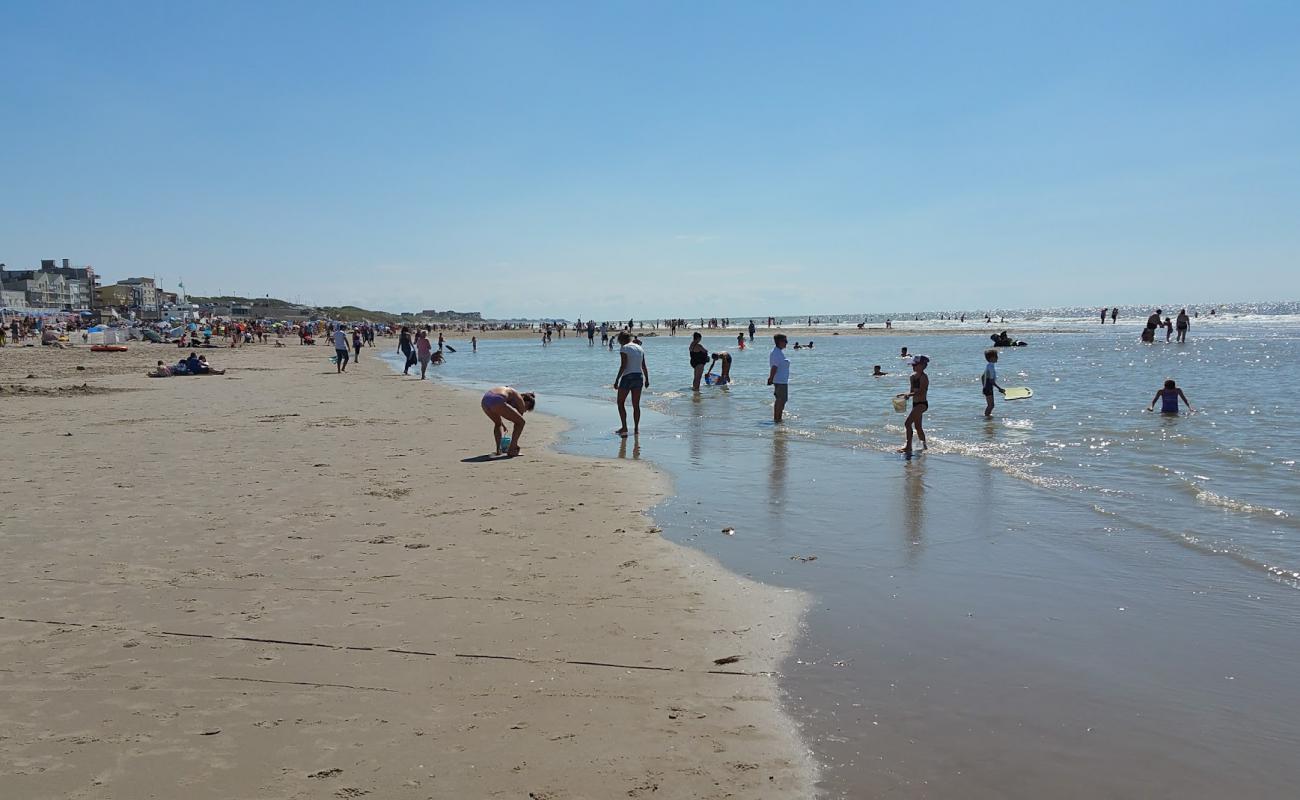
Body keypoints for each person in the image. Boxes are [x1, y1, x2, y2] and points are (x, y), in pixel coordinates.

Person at [481, 386, 535, 456]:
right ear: (526, 401)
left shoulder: (509, 395)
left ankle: (498, 450)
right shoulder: (519, 398)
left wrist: (502, 424)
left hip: (485, 401)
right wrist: (514, 443)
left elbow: (498, 408)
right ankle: (512, 449)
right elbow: (519, 418)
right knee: (521, 423)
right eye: (527, 408)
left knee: (498, 424)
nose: (525, 410)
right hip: (497, 399)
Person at [614, 331, 649, 437]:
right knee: (636, 405)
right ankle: (636, 429)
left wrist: (617, 380)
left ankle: (624, 427)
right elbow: (644, 366)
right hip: (639, 377)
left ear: (622, 340)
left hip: (628, 377)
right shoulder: (640, 348)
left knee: (620, 403)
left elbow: (623, 365)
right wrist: (647, 379)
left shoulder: (624, 348)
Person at [896, 355, 929, 454]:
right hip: (915, 404)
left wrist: (909, 394)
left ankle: (908, 447)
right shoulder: (912, 377)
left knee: (907, 423)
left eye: (915, 365)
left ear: (923, 366)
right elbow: (912, 391)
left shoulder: (924, 377)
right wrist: (905, 395)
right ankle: (924, 446)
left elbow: (922, 392)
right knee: (918, 427)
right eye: (912, 365)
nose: (913, 367)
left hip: (922, 404)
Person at [767, 334, 790, 423]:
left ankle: (777, 418)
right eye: (785, 341)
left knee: (781, 400)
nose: (786, 343)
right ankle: (777, 419)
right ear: (780, 342)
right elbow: (774, 367)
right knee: (781, 400)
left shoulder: (778, 352)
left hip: (781, 380)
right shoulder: (776, 353)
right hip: (780, 381)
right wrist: (771, 378)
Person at [982, 349, 1005, 417]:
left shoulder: (989, 365)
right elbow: (991, 381)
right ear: (992, 358)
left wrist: (984, 386)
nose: (997, 358)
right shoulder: (991, 367)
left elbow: (983, 377)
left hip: (987, 387)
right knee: (991, 405)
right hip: (988, 388)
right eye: (996, 356)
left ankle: (987, 418)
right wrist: (999, 388)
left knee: (991, 405)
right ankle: (986, 417)